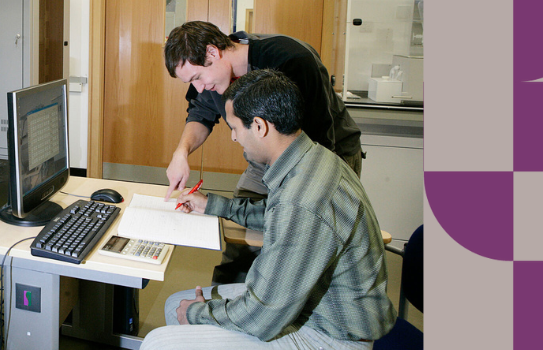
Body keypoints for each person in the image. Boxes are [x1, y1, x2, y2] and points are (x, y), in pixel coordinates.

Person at [140, 69, 395, 349]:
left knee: (159, 342)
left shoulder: (303, 199)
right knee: (176, 304)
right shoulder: (310, 158)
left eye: (235, 128)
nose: (235, 138)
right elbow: (276, 215)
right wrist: (213, 204)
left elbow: (263, 315)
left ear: (259, 127)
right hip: (307, 308)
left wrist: (200, 313)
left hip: (328, 334)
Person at [163, 21, 364, 284]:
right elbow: (200, 113)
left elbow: (321, 142)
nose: (198, 87)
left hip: (325, 153)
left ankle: (278, 306)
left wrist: (297, 199)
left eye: (197, 78)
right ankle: (226, 298)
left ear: (212, 52)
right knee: (242, 237)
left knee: (300, 242)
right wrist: (181, 152)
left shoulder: (291, 60)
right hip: (265, 160)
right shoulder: (210, 79)